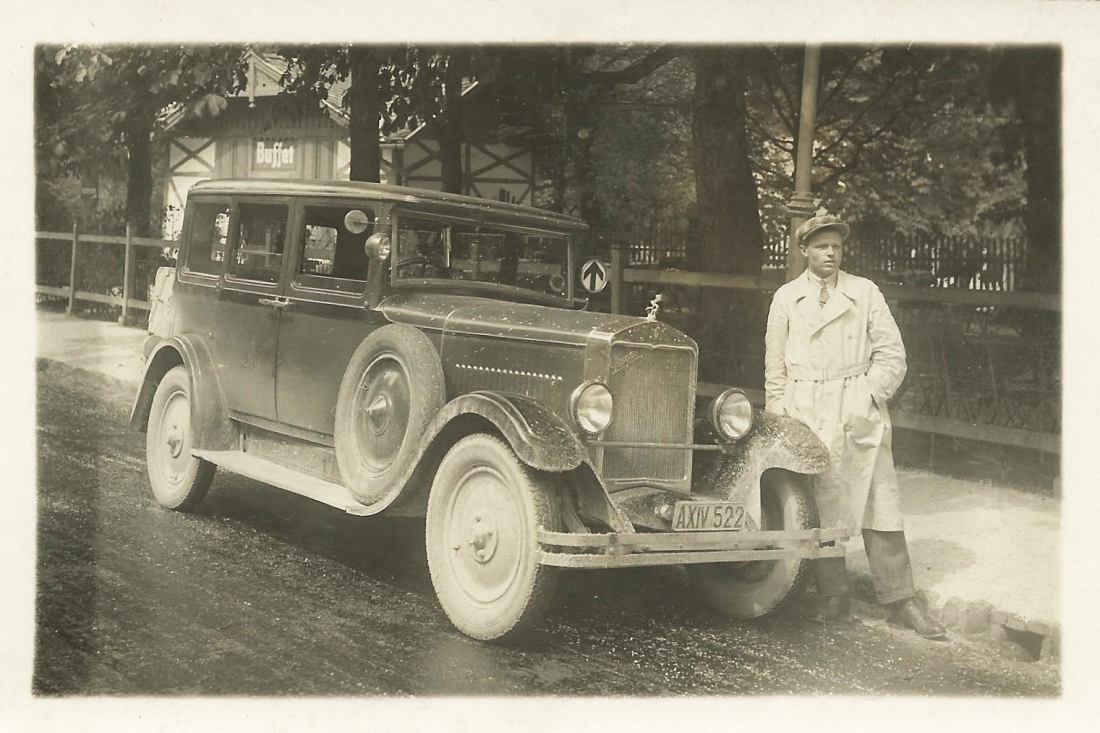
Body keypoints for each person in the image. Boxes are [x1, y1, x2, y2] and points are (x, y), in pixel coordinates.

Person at [764, 212, 946, 640]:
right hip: (806, 407)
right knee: (823, 501)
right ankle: (834, 594)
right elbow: (774, 366)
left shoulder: (864, 293)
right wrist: (781, 411)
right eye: (821, 246)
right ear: (804, 250)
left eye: (837, 247)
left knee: (879, 500)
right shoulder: (786, 299)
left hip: (856, 405)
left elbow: (892, 356)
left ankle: (900, 599)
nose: (830, 253)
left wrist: (866, 394)